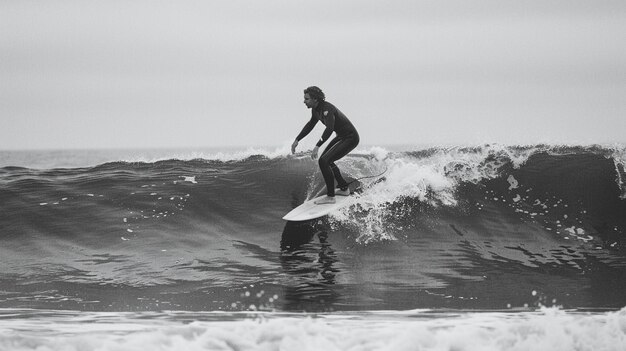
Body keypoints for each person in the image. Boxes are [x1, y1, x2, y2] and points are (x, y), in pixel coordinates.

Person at [291, 86, 360, 205]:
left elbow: (329, 128)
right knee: (327, 160)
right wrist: (297, 139)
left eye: (307, 99)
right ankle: (343, 188)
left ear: (315, 99)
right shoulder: (316, 110)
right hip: (341, 137)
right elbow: (310, 125)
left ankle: (331, 196)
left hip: (350, 138)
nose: (304, 101)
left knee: (324, 161)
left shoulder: (327, 109)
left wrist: (317, 145)